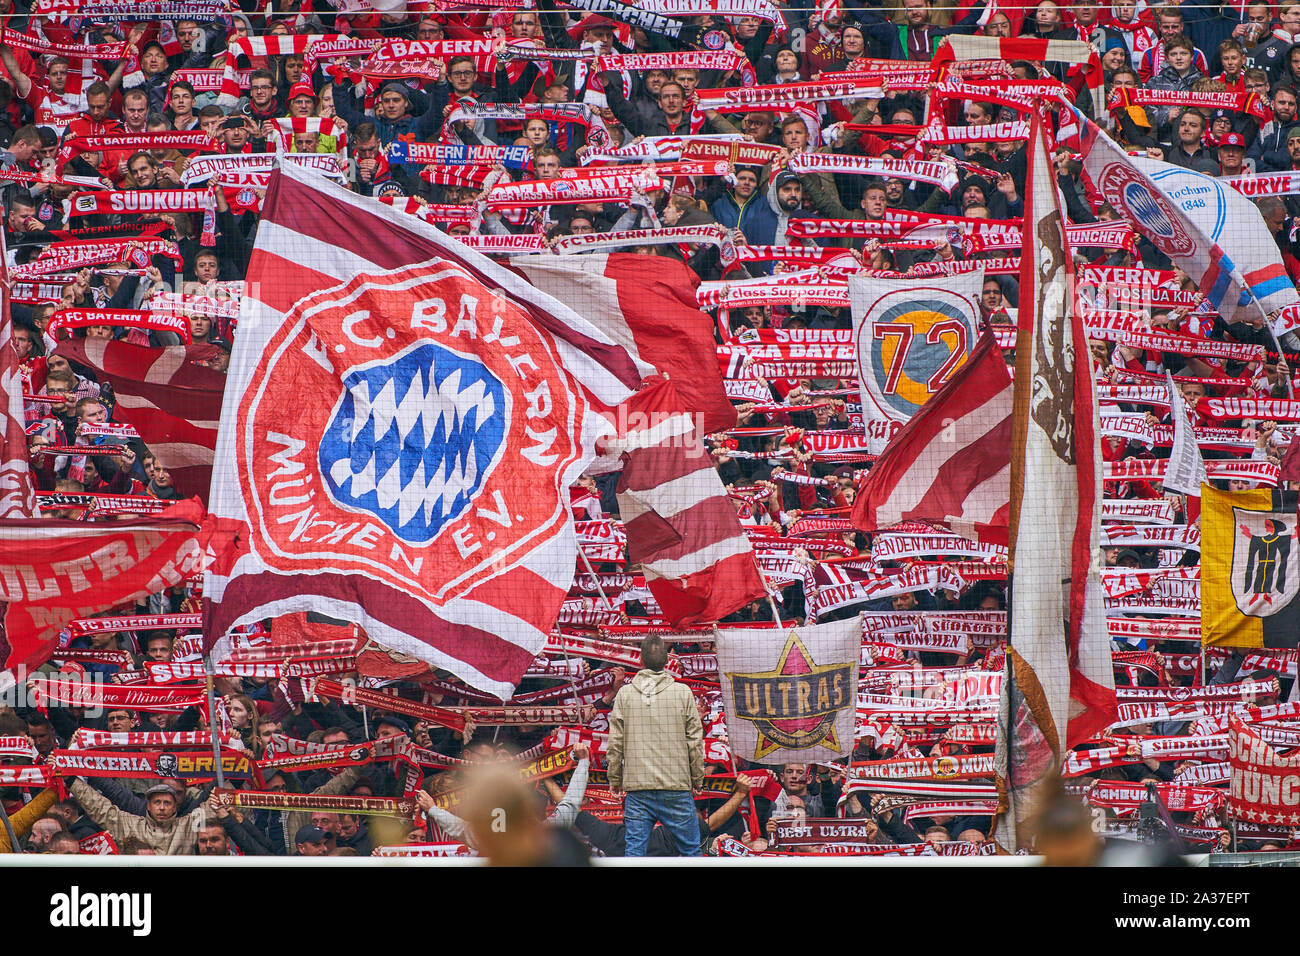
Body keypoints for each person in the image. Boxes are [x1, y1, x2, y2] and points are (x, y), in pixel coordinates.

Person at [606, 636, 705, 857]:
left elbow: (615, 743)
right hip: (676, 785)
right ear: (667, 660)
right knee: (691, 851)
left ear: (640, 660)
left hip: (638, 788)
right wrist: (697, 777)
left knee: (635, 853)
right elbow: (695, 741)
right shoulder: (682, 693)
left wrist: (615, 778)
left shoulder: (625, 694)